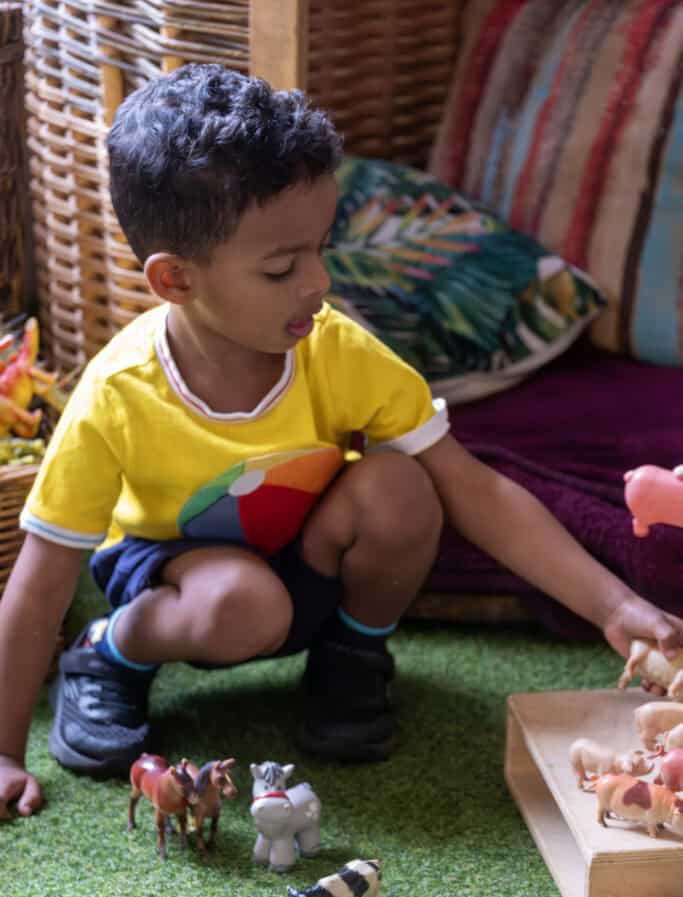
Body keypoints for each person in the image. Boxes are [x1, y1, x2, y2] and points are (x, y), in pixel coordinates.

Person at [0, 64, 681, 820]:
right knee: (242, 601)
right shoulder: (116, 395)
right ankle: (109, 653)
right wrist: (1, 752)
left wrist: (612, 604)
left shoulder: (340, 350)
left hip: (305, 557)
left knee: (401, 483)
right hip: (175, 578)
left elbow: (475, 488)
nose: (317, 282)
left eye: (320, 249)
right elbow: (43, 575)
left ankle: (352, 655)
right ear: (175, 280)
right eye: (282, 267)